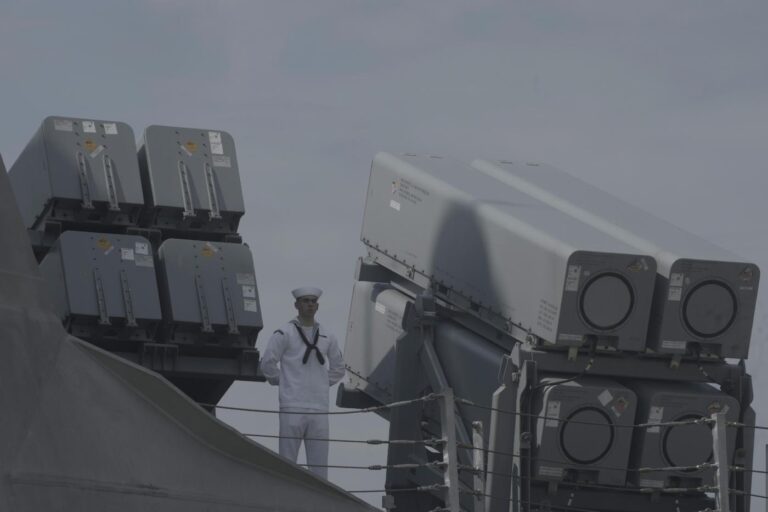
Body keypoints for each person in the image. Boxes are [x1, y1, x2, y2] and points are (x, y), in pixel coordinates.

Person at [260, 286, 345, 478]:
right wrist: (285, 382)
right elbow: (268, 363)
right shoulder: (284, 333)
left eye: (313, 301)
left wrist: (321, 383)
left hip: (319, 407)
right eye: (305, 301)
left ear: (317, 306)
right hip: (292, 405)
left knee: (320, 467)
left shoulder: (327, 336)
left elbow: (339, 368)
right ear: (296, 305)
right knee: (287, 463)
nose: (310, 305)